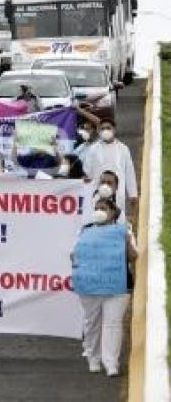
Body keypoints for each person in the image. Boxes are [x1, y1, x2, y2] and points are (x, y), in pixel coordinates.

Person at [72, 198, 137, 376]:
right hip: (90, 284)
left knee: (113, 324)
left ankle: (111, 363)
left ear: (113, 212)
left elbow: (133, 257)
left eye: (104, 208)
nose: (100, 211)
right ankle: (93, 358)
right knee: (92, 322)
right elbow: (73, 256)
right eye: (97, 208)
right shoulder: (84, 231)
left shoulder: (123, 231)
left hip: (117, 285)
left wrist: (126, 242)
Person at [82, 119, 138, 222]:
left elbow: (129, 172)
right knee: (99, 218)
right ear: (99, 131)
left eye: (108, 128)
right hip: (98, 192)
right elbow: (87, 171)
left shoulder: (123, 149)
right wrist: (87, 178)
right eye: (103, 128)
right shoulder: (93, 149)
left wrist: (132, 194)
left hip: (118, 192)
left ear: (114, 130)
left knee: (117, 219)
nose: (105, 130)